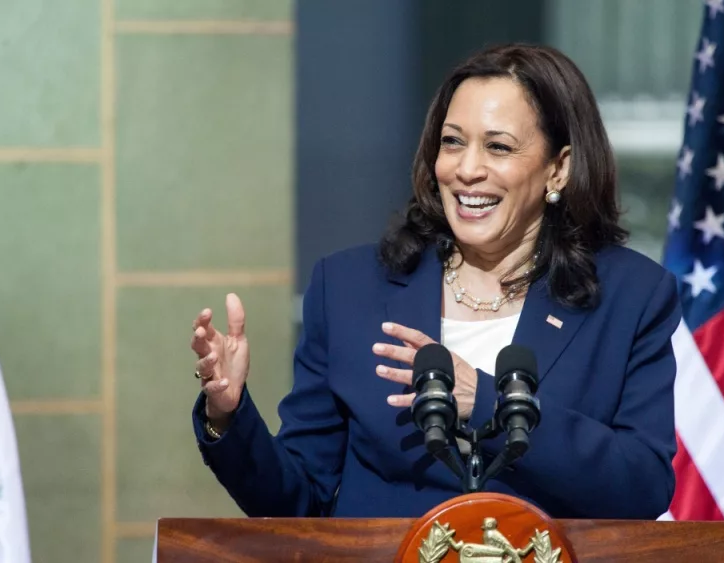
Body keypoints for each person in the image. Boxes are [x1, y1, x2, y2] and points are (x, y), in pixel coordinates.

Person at [189, 42, 682, 520]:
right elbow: (298, 500)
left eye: (498, 147)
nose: (467, 170)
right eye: (452, 143)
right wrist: (230, 414)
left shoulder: (630, 296)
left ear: (558, 169)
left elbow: (641, 486)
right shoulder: (349, 289)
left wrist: (484, 401)